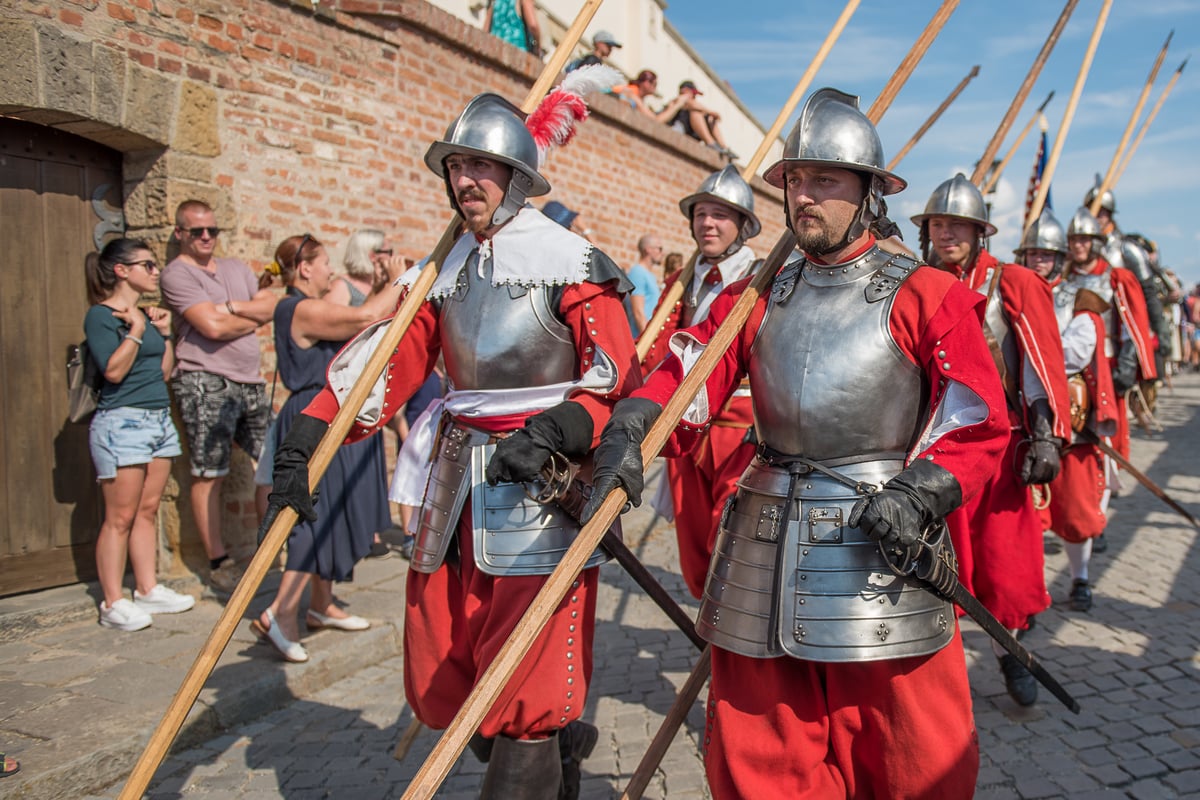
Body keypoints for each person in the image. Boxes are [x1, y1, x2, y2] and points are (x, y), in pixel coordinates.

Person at [581, 88, 1009, 798]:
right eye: (795, 180)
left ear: (868, 193)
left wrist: (923, 488)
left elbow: (976, 418)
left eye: (826, 181)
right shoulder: (754, 296)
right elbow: (686, 377)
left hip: (883, 545)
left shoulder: (924, 292)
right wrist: (631, 426)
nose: (804, 196)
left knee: (911, 757)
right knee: (761, 759)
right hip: (763, 544)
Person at [265, 94, 640, 798]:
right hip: (455, 482)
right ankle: (558, 745)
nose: (467, 180)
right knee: (450, 657)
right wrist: (309, 435)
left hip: (544, 485)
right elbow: (384, 364)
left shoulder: (572, 262)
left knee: (524, 676)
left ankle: (541, 742)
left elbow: (616, 378)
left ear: (518, 177)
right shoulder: (443, 269)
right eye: (458, 165)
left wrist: (559, 429)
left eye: (484, 166)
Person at [911, 174, 1071, 706]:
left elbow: (1042, 364)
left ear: (980, 231)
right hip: (932, 450)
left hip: (999, 452)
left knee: (1004, 566)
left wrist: (1047, 438)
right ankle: (941, 675)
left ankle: (1009, 654)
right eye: (938, 223)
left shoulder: (1013, 282)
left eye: (958, 224)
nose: (947, 232)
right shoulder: (916, 282)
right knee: (937, 566)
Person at [250, 233, 406, 663]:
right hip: (313, 415)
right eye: (323, 264)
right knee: (309, 516)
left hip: (327, 410)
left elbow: (363, 317)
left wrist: (379, 286)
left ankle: (322, 605)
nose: (331, 271)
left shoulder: (307, 307)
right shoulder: (297, 308)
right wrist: (402, 279)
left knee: (329, 510)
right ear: (304, 269)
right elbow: (364, 319)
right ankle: (280, 614)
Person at [640, 165, 762, 599]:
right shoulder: (682, 281)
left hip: (740, 431)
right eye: (701, 214)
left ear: (743, 225)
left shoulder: (762, 278)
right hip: (686, 428)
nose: (707, 223)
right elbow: (659, 350)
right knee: (693, 547)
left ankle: (732, 627)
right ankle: (706, 623)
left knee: (731, 537)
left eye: (721, 215)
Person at [160, 200, 277, 594]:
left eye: (212, 230)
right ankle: (218, 561)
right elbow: (209, 327)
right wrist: (246, 318)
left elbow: (270, 307)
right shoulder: (177, 274)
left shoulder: (235, 269)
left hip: (249, 380)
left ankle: (271, 549)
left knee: (276, 461)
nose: (207, 237)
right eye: (197, 231)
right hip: (204, 379)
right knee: (209, 472)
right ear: (180, 233)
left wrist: (231, 309)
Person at [84, 238, 196, 631]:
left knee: (148, 510)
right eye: (146, 265)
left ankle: (147, 588)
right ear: (121, 270)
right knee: (120, 516)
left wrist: (161, 333)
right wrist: (133, 328)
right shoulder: (101, 316)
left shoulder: (146, 315)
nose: (154, 272)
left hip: (157, 420)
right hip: (122, 422)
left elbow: (162, 372)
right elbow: (113, 371)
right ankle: (112, 601)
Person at [1046, 209, 1121, 613]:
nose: (1040, 261)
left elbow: (1077, 353)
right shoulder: (1009, 290)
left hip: (1067, 416)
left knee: (1075, 510)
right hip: (1018, 419)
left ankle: (1079, 580)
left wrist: (1034, 350)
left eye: (1047, 254)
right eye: (1032, 253)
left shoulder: (1080, 298)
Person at [1081, 184, 1159, 459]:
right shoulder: (1076, 254)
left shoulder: (1127, 250)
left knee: (1113, 414)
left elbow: (1145, 297)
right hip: (1081, 350)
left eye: (1103, 212)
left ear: (1111, 214)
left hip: (1115, 345)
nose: (1098, 216)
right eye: (1095, 211)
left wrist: (1150, 344)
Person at [667, 81, 737, 160]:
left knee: (710, 118)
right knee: (696, 113)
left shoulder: (694, 106)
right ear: (685, 90)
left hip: (692, 132)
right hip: (678, 130)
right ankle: (711, 143)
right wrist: (709, 111)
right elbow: (691, 104)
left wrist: (709, 114)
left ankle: (724, 147)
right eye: (693, 94)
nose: (694, 97)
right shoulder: (679, 100)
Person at [613, 70, 691, 125]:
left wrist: (670, 106)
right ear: (646, 82)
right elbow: (655, 121)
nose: (655, 88)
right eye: (654, 84)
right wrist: (677, 105)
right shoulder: (631, 92)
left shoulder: (636, 95)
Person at [626, 234, 663, 335]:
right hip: (639, 339)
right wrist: (646, 340)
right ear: (648, 250)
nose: (662, 253)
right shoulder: (637, 272)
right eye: (659, 248)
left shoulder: (650, 275)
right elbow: (638, 313)